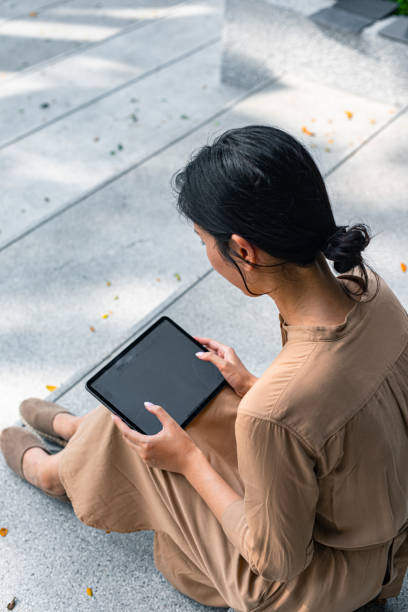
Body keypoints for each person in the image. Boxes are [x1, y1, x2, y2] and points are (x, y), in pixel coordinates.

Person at [1, 125, 408, 612]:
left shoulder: (274, 409)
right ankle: (78, 431)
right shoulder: (369, 290)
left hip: (311, 587)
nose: (207, 254)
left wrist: (188, 461)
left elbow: (276, 561)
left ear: (243, 250)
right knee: (212, 399)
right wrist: (251, 386)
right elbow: (341, 412)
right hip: (380, 541)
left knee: (156, 439)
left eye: (203, 241)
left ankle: (55, 472)